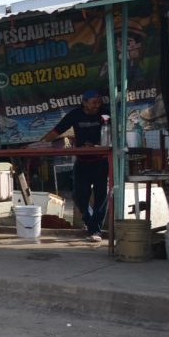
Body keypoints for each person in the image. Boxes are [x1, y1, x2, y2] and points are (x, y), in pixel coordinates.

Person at [41, 88, 110, 242]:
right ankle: (89, 220)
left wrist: (97, 145)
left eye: (98, 102)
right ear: (84, 103)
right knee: (78, 196)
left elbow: (114, 134)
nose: (96, 105)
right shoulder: (75, 114)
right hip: (82, 162)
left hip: (101, 162)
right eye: (93, 103)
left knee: (101, 197)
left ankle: (95, 231)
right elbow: (56, 131)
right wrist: (40, 144)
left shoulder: (106, 114)